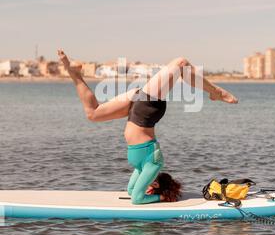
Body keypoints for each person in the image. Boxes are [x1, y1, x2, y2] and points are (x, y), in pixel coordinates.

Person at [57, 50, 238, 204]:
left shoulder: (142, 167)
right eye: (151, 187)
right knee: (180, 63)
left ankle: (74, 72)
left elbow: (131, 192)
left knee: (93, 114)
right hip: (145, 109)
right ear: (157, 184)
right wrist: (161, 198)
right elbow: (137, 199)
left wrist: (152, 193)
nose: (147, 187)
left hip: (137, 109)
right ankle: (216, 91)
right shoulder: (152, 165)